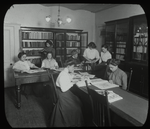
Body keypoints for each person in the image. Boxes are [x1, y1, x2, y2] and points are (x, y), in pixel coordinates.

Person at [49, 60, 84, 127]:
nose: (74, 68)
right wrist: (73, 83)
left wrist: (72, 75)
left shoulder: (65, 72)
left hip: (64, 92)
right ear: (68, 66)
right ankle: (74, 123)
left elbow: (67, 78)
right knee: (77, 106)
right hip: (62, 93)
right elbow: (63, 89)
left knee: (78, 100)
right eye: (73, 67)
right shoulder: (63, 74)